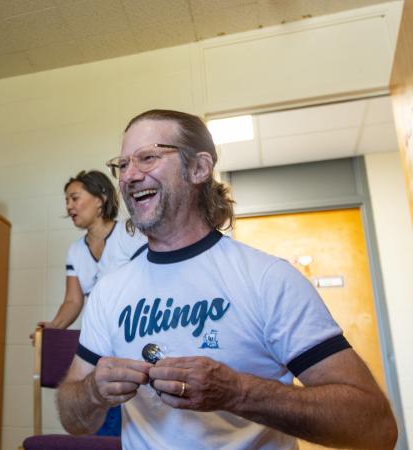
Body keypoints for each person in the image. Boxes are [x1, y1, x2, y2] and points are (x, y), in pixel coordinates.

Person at [56, 109, 398, 449]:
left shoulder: (267, 279)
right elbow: (74, 419)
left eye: (147, 158)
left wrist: (238, 392)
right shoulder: (109, 292)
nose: (129, 176)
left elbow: (374, 427)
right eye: (123, 164)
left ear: (198, 168)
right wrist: (93, 391)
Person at [33, 170, 146, 436]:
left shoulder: (131, 236)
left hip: (132, 341)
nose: (69, 207)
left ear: (100, 199)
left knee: (130, 418)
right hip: (97, 342)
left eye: (75, 198)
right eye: (67, 202)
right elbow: (73, 300)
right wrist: (51, 328)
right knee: (97, 410)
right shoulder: (75, 250)